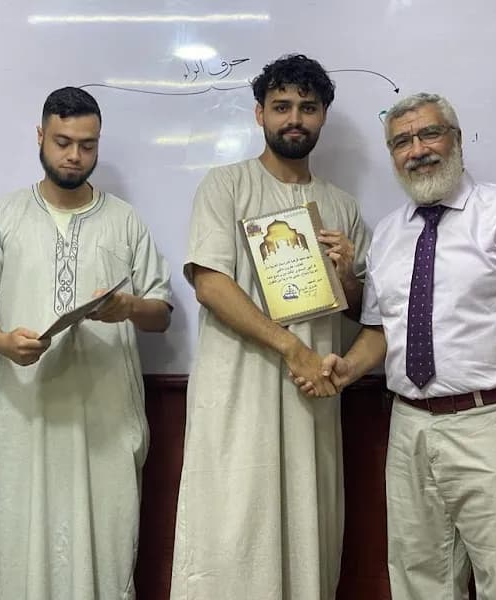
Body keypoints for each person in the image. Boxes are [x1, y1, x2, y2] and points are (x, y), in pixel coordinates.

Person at [302, 92, 496, 599]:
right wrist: (347, 370)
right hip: (411, 431)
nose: (417, 149)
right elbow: (383, 331)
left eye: (429, 134)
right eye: (401, 141)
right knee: (419, 583)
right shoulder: (387, 234)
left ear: (457, 139)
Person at [169, 54, 371, 599]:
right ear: (259, 114)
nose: (295, 119)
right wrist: (290, 348)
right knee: (231, 537)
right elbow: (210, 285)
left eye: (308, 108)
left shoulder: (342, 206)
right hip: (237, 401)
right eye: (281, 107)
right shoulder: (225, 185)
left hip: (313, 400)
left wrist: (350, 274)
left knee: (308, 541)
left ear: (323, 116)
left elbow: (361, 313)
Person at [0, 86, 172, 600]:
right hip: (25, 416)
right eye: (62, 141)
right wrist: (3, 343)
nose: (75, 155)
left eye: (87, 144)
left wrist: (127, 309)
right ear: (40, 137)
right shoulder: (3, 215)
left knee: (106, 544)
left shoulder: (124, 220)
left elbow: (161, 312)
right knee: (21, 543)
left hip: (106, 417)